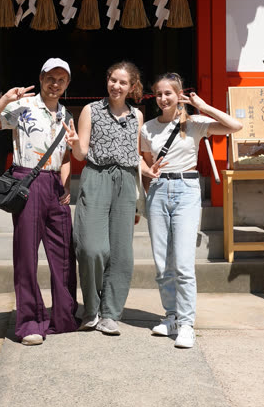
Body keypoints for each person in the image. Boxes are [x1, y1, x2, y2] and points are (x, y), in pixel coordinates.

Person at [0, 58, 79, 346]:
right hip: (28, 181)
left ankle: (64, 316)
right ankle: (30, 322)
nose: (55, 83)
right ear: (41, 77)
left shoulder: (67, 116)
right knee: (26, 255)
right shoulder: (23, 107)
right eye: (50, 77)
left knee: (63, 255)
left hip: (56, 185)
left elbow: (68, 157)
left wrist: (66, 185)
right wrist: (5, 99)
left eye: (61, 79)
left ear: (67, 84)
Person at [140, 72, 242, 348]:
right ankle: (171, 316)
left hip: (186, 189)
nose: (163, 98)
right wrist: (146, 187)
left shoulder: (194, 124)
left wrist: (203, 106)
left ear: (179, 94)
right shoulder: (147, 127)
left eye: (168, 93)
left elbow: (235, 126)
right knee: (162, 263)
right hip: (159, 191)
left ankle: (186, 324)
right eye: (159, 94)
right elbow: (145, 164)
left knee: (183, 263)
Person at [64, 61, 143, 336]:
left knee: (122, 253)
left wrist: (147, 173)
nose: (116, 86)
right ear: (107, 81)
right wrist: (74, 143)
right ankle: (91, 309)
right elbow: (81, 154)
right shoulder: (91, 110)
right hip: (95, 177)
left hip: (125, 181)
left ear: (132, 86)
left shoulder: (137, 116)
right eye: (113, 80)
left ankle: (110, 314)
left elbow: (134, 155)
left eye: (123, 82)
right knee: (90, 248)